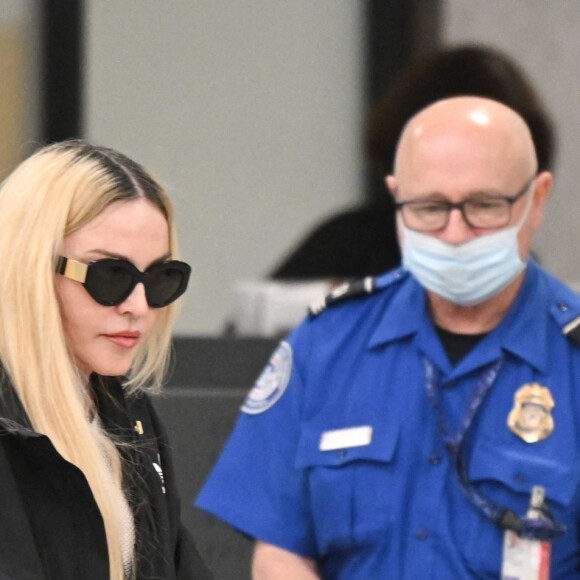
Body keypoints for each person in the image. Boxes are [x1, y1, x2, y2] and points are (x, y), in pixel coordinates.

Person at [196, 97, 580, 578]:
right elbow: (279, 553)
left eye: (485, 206)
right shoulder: (328, 343)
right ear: (396, 198)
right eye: (429, 208)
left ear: (537, 199)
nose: (455, 233)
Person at [0, 140, 212, 580]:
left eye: (159, 277)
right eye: (110, 275)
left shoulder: (127, 410)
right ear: (29, 267)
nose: (138, 305)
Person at [269, 44, 555, 281]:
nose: (457, 231)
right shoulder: (350, 246)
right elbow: (249, 345)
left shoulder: (519, 266)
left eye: (488, 203)